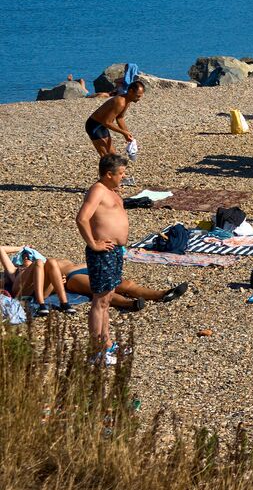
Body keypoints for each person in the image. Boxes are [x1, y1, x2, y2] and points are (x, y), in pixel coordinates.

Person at [74, 153, 130, 362]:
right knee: (99, 300)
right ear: (108, 174)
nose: (123, 176)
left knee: (107, 298)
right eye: (121, 173)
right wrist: (93, 243)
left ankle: (106, 343)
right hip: (103, 252)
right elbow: (82, 218)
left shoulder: (110, 189)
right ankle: (97, 350)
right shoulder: (97, 190)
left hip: (114, 251)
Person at [52, 257, 187, 310]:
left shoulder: (39, 260)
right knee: (102, 291)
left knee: (127, 284)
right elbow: (38, 286)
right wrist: (57, 281)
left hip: (89, 267)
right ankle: (128, 304)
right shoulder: (37, 266)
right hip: (71, 277)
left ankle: (162, 294)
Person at [1, 246, 74, 316]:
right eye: (22, 256)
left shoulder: (41, 270)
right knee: (38, 262)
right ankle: (41, 304)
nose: (26, 257)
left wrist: (59, 282)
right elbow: (1, 248)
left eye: (30, 256)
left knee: (52, 261)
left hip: (41, 291)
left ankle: (64, 303)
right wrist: (21, 248)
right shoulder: (13, 270)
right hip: (22, 291)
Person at [84, 80, 144, 157]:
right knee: (105, 156)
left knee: (112, 154)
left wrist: (127, 134)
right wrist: (124, 132)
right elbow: (107, 122)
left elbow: (120, 118)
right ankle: (105, 169)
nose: (139, 99)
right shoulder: (120, 102)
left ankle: (111, 168)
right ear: (130, 91)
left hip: (102, 126)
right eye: (138, 96)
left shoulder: (127, 101)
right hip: (94, 125)